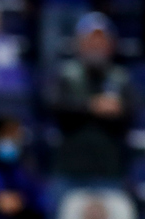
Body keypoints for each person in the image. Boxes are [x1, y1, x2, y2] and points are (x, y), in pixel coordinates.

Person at [46, 12, 136, 184]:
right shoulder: (65, 74)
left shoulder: (121, 78)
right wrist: (91, 106)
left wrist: (119, 110)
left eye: (101, 40)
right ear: (79, 43)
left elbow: (132, 113)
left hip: (111, 171)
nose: (96, 45)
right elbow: (53, 106)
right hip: (69, 171)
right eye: (90, 40)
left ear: (111, 45)